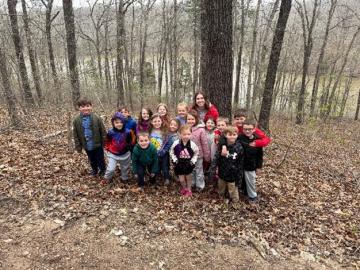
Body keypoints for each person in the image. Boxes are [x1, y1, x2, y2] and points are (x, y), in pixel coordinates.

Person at [73, 97, 106, 177]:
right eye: (83, 106)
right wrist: (78, 147)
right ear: (79, 108)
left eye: (87, 106)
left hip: (97, 144)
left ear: (91, 106)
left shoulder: (96, 118)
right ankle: (94, 170)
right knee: (91, 159)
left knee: (100, 159)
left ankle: (103, 170)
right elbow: (76, 135)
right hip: (87, 145)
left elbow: (103, 131)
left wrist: (105, 142)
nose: (85, 108)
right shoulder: (76, 120)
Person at [210, 126, 244, 203]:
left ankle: (235, 201)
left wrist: (239, 174)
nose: (232, 136)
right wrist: (213, 169)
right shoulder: (221, 146)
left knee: (232, 188)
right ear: (225, 135)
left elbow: (240, 162)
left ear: (237, 135)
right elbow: (216, 159)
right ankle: (221, 196)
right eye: (230, 134)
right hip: (222, 171)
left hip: (233, 173)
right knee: (221, 186)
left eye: (234, 134)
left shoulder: (239, 147)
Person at [238, 119, 264, 203]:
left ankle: (253, 196)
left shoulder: (258, 140)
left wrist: (259, 167)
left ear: (254, 129)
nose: (247, 131)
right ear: (242, 129)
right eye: (245, 129)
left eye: (250, 129)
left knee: (251, 181)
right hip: (239, 164)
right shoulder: (239, 137)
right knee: (241, 180)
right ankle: (243, 192)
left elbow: (260, 155)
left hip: (251, 165)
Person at [103, 112, 132, 184]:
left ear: (124, 122)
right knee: (111, 169)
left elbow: (130, 141)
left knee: (125, 167)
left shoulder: (128, 132)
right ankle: (107, 178)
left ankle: (124, 178)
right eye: (116, 122)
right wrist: (107, 148)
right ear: (113, 123)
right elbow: (107, 141)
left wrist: (128, 147)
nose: (119, 124)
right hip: (113, 153)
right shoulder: (110, 132)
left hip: (125, 154)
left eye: (121, 122)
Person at [170, 125, 199, 197]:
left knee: (188, 178)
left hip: (188, 164)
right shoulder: (176, 143)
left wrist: (192, 161)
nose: (186, 136)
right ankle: (184, 188)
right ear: (180, 134)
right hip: (179, 163)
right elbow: (171, 152)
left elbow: (196, 153)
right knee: (182, 179)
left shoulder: (193, 145)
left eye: (188, 134)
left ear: (191, 134)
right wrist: (175, 160)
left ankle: (189, 190)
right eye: (184, 134)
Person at [186, 110, 211, 191]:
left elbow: (204, 143)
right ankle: (192, 183)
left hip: (198, 155)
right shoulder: (185, 128)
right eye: (188, 119)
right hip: (188, 154)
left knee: (199, 171)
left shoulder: (201, 130)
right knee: (191, 170)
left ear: (196, 119)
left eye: (192, 119)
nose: (190, 121)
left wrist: (207, 156)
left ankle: (200, 186)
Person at [158, 118, 180, 185]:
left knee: (175, 165)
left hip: (173, 154)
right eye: (171, 124)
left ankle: (175, 176)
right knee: (165, 166)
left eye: (175, 125)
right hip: (165, 153)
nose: (172, 126)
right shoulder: (166, 133)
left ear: (178, 127)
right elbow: (163, 143)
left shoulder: (178, 135)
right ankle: (166, 178)